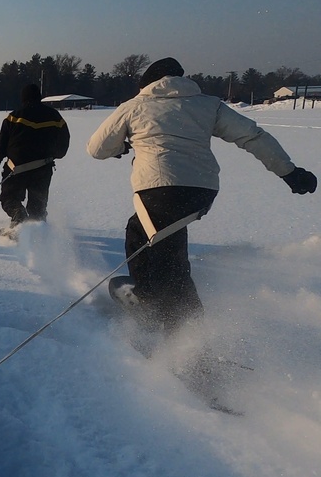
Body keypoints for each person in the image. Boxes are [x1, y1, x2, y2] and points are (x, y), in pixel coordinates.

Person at [87, 57, 316, 331]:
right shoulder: (209, 104)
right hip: (201, 191)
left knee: (162, 250)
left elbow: (96, 149)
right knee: (149, 236)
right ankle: (152, 299)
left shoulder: (135, 106)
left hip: (158, 189)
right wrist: (288, 171)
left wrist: (121, 148)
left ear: (147, 83)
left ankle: (184, 337)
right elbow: (252, 136)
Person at [0, 83, 70, 236]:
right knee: (38, 206)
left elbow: (1, 143)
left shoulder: (14, 117)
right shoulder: (55, 117)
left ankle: (18, 219)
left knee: (9, 198)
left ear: (23, 98)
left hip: (15, 169)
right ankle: (38, 234)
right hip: (43, 169)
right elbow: (63, 146)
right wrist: (52, 154)